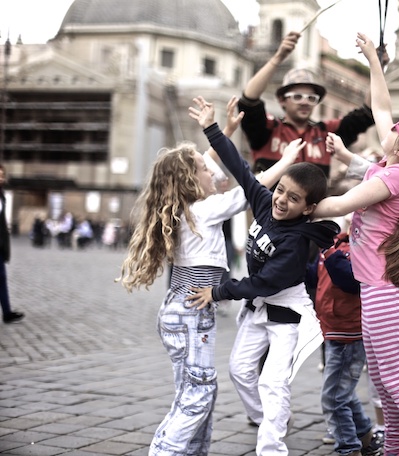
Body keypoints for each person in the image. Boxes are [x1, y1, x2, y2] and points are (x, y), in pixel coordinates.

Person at [117, 104, 302, 455]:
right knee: (199, 392)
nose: (212, 172)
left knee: (197, 390)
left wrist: (225, 131)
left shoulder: (187, 210)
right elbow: (252, 186)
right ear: (191, 180)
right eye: (205, 170)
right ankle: (165, 451)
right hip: (191, 314)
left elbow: (205, 161)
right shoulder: (203, 210)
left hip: (178, 311)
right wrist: (287, 161)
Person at [313, 33, 399, 456]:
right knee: (385, 381)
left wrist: (297, 207)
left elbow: (342, 204)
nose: (387, 125)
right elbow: (381, 107)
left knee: (398, 382)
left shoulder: (396, 177)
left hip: (385, 291)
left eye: (395, 129)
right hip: (377, 288)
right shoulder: (397, 169)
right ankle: (396, 451)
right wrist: (374, 60)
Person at [187, 95, 340, 456]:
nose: (282, 200)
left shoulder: (296, 242)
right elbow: (240, 168)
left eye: (293, 198)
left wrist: (217, 292)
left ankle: (272, 447)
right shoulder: (265, 202)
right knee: (240, 370)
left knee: (272, 382)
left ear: (309, 208)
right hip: (258, 305)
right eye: (281, 190)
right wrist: (211, 127)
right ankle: (271, 418)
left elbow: (264, 282)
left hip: (286, 310)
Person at [237, 31, 376, 177]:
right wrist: (279, 57)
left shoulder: (325, 134)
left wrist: (376, 65)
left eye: (311, 98)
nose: (305, 102)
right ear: (282, 100)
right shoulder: (268, 129)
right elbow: (248, 100)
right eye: (297, 97)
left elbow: (367, 114)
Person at [305, 215, 382, 456]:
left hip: (350, 334)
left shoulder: (366, 249)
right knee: (342, 393)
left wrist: (328, 251)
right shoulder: (337, 243)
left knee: (333, 398)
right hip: (333, 330)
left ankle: (349, 448)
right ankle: (366, 437)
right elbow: (315, 277)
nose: (353, 217)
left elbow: (349, 280)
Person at [0, 164, 24, 324]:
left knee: (1, 278)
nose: (1, 178)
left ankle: (7, 312)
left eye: (2, 175)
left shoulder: (2, 196)